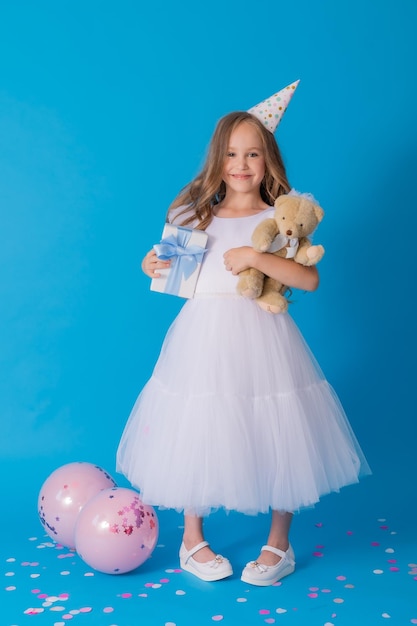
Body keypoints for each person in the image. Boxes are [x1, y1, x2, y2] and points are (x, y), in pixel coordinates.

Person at [116, 81, 371, 586]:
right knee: (199, 426)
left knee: (280, 431)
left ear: (267, 159)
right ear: (218, 159)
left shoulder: (279, 220)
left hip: (264, 336)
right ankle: (193, 539)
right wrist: (150, 266)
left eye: (253, 153)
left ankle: (279, 545)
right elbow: (178, 280)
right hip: (203, 337)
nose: (241, 163)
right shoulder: (194, 215)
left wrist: (257, 257)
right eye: (232, 153)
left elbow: (310, 279)